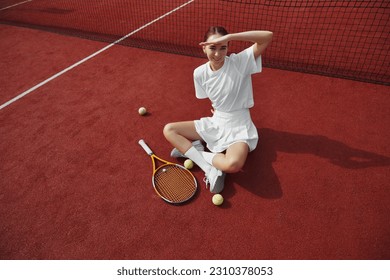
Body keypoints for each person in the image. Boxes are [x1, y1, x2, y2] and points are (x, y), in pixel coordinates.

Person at [163, 26, 273, 193]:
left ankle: (192, 152)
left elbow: (267, 37)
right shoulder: (199, 73)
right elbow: (216, 98)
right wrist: (220, 112)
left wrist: (231, 36)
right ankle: (208, 168)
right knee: (169, 130)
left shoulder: (239, 62)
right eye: (213, 47)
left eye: (223, 47)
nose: (218, 54)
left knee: (233, 164)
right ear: (204, 47)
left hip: (240, 124)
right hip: (217, 121)